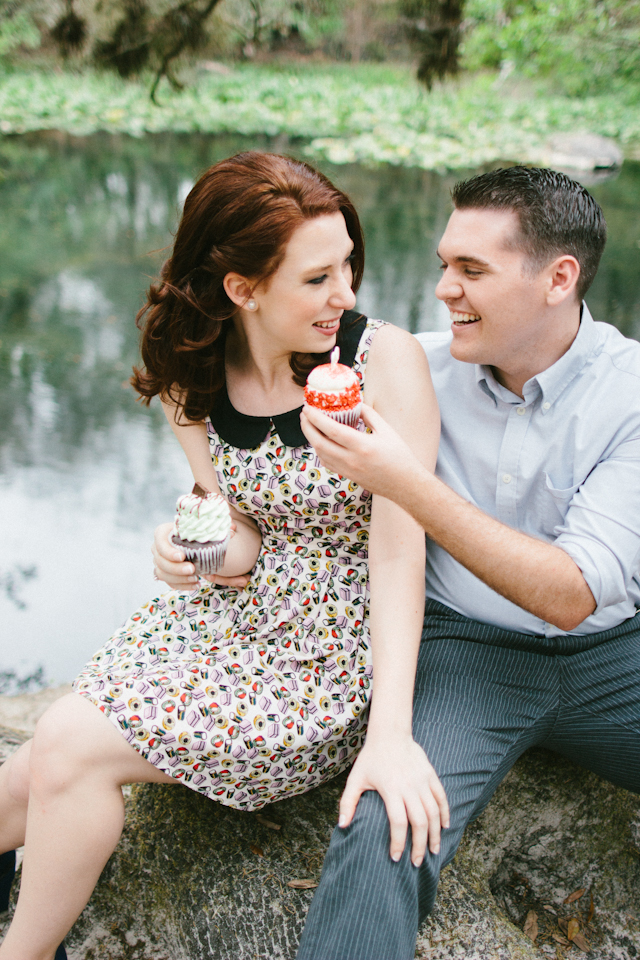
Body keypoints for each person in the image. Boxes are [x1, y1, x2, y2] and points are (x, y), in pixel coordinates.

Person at [0, 152, 446, 960]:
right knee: (28, 774)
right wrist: (189, 550)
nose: (345, 292)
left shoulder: (385, 364)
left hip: (326, 654)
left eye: (347, 262)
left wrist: (390, 733)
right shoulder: (193, 373)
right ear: (241, 289)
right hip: (227, 620)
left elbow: (398, 555)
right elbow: (238, 532)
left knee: (65, 746)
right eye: (316, 278)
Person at [298, 166, 640, 960]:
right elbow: (250, 370)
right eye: (444, 265)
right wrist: (205, 524)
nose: (445, 289)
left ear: (559, 278)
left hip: (616, 655)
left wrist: (405, 482)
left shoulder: (630, 394)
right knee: (386, 817)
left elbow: (571, 593)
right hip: (464, 655)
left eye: (472, 271)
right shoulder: (407, 366)